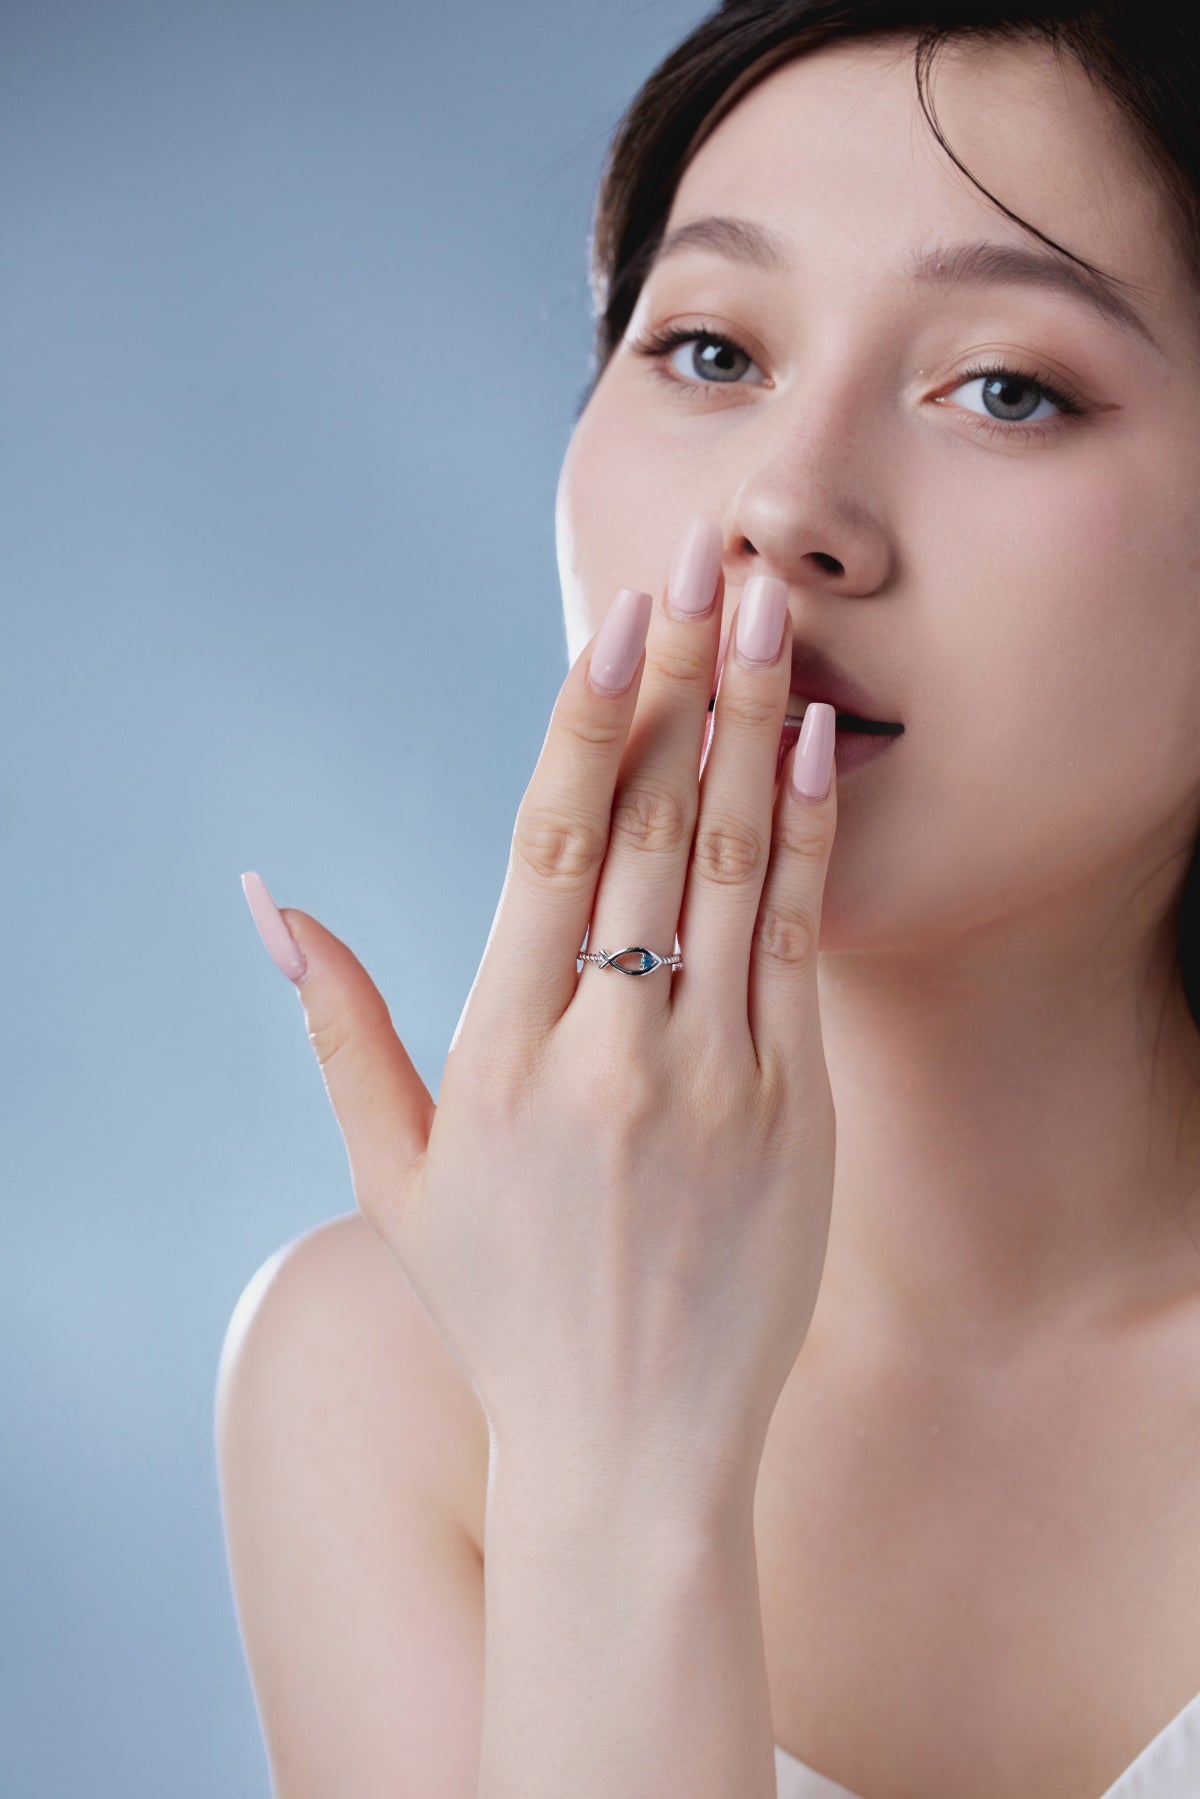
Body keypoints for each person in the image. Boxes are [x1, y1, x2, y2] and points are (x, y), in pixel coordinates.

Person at [216, 4, 1200, 1795]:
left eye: (1008, 387)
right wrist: (609, 1464)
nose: (788, 506)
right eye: (712, 350)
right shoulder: (374, 1381)